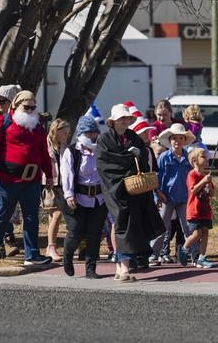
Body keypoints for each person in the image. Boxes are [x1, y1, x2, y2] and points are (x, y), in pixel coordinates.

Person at [0, 90, 55, 266]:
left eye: (33, 107)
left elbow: (43, 152)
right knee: (3, 216)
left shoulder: (37, 126)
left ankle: (32, 254)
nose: (30, 110)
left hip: (32, 179)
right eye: (27, 107)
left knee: (31, 217)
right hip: (8, 178)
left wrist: (49, 175)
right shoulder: (2, 122)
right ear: (16, 105)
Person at [96, 103, 164, 282]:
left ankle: (121, 268)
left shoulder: (133, 136)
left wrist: (138, 154)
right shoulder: (104, 139)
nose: (125, 121)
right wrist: (128, 157)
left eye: (127, 118)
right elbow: (105, 164)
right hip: (114, 189)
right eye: (121, 118)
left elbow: (142, 156)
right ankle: (123, 267)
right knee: (121, 224)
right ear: (113, 121)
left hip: (132, 190)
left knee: (130, 225)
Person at [61, 114, 106, 279]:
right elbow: (67, 174)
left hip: (98, 199)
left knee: (94, 234)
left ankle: (91, 269)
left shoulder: (100, 150)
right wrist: (69, 195)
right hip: (77, 198)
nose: (93, 136)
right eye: (89, 133)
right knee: (76, 232)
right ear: (81, 134)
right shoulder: (71, 151)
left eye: (94, 133)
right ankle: (67, 255)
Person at [152, 124, 195, 265]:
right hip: (166, 197)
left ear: (184, 140)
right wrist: (157, 194)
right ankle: (153, 254)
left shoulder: (189, 157)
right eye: (174, 138)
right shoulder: (164, 157)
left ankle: (195, 255)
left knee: (188, 227)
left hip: (184, 197)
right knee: (161, 226)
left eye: (181, 138)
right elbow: (157, 177)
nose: (177, 141)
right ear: (170, 141)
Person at [45, 117, 72, 262]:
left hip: (62, 185)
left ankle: (51, 246)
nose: (66, 135)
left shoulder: (64, 147)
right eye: (64, 132)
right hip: (49, 184)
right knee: (56, 214)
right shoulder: (46, 145)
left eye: (67, 133)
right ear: (56, 131)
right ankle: (51, 246)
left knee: (54, 217)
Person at [183, 147, 215, 269]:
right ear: (195, 160)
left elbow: (212, 193)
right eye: (203, 157)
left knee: (205, 232)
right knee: (197, 234)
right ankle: (185, 247)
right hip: (194, 210)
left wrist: (209, 185)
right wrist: (203, 181)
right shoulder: (192, 174)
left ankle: (202, 257)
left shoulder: (206, 175)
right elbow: (192, 190)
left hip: (205, 210)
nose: (207, 159)